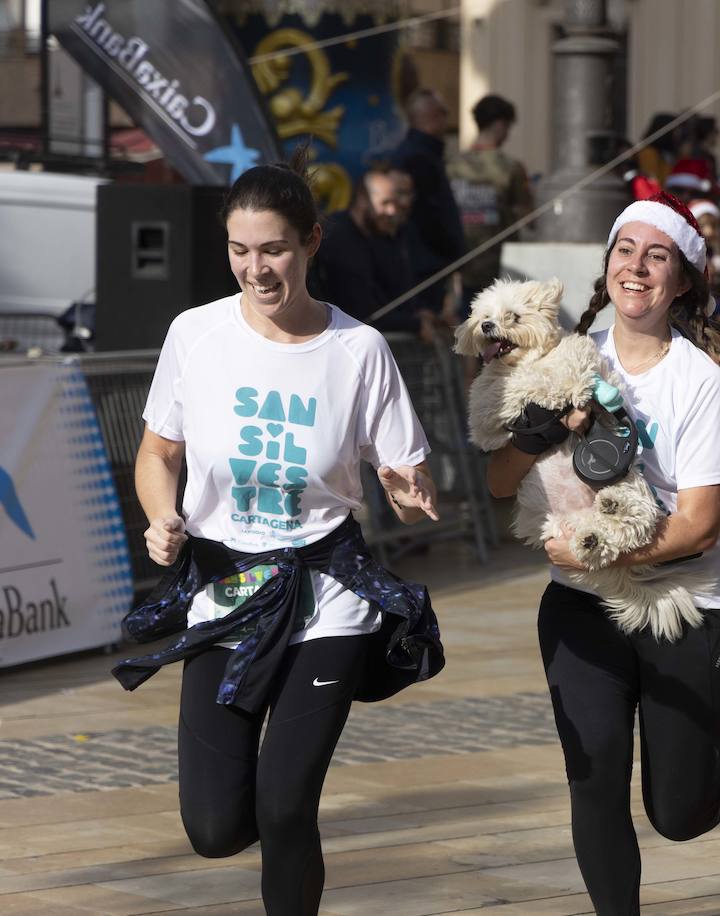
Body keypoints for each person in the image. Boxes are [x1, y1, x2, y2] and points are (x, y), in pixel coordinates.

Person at [110, 153, 445, 914]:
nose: (255, 268)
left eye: (273, 249)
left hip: (326, 599)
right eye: (239, 250)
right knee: (215, 826)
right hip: (226, 595)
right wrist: (162, 517)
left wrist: (406, 485)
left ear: (312, 242)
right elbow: (159, 454)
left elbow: (402, 467)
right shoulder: (195, 335)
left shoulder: (358, 350)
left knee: (287, 807)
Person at [484, 191, 720, 915]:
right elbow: (496, 483)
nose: (637, 267)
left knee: (675, 814)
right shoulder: (558, 361)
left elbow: (702, 526)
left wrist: (596, 554)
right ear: (606, 266)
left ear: (681, 282)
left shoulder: (698, 381)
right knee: (594, 777)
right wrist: (536, 436)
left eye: (658, 255)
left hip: (690, 609)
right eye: (624, 250)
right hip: (583, 609)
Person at [448, 93, 535, 314]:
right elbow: (528, 216)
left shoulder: (451, 166)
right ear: (500, 124)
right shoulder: (511, 167)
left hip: (461, 264)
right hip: (499, 269)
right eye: (508, 127)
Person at [309, 165, 420, 334]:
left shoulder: (378, 237)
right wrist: (415, 325)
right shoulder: (340, 237)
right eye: (385, 203)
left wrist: (418, 316)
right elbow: (362, 312)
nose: (392, 211)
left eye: (396, 204)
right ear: (363, 199)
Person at [393, 88, 465, 319]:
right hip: (424, 261)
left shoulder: (421, 152)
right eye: (443, 112)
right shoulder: (419, 157)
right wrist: (452, 248)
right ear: (433, 116)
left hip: (425, 258)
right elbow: (429, 215)